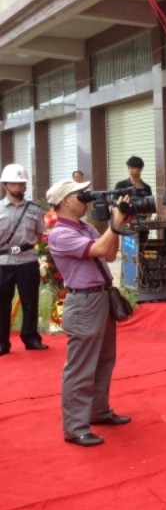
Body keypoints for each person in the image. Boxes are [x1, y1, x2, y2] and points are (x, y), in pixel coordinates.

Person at [46, 178, 132, 447]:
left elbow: (109, 254)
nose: (86, 198)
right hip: (84, 303)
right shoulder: (60, 233)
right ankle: (75, 427)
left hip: (101, 297)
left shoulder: (86, 227)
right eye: (79, 194)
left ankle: (98, 411)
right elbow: (99, 249)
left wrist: (117, 225)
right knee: (81, 368)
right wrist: (114, 222)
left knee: (105, 360)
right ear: (64, 201)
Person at [0, 164, 48, 355]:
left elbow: (40, 234)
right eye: (14, 183)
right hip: (3, 263)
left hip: (27, 261)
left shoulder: (34, 209)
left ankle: (31, 338)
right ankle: (2, 343)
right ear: (5, 185)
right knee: (2, 304)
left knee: (30, 302)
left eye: (21, 183)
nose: (19, 187)